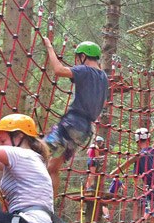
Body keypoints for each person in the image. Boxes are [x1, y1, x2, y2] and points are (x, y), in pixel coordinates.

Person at [42, 37, 109, 197]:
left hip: (72, 123)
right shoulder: (103, 77)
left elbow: (58, 70)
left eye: (78, 58)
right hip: (85, 131)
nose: (77, 62)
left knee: (36, 151)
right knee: (53, 167)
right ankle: (49, 209)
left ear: (83, 56)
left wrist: (49, 47)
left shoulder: (84, 71)